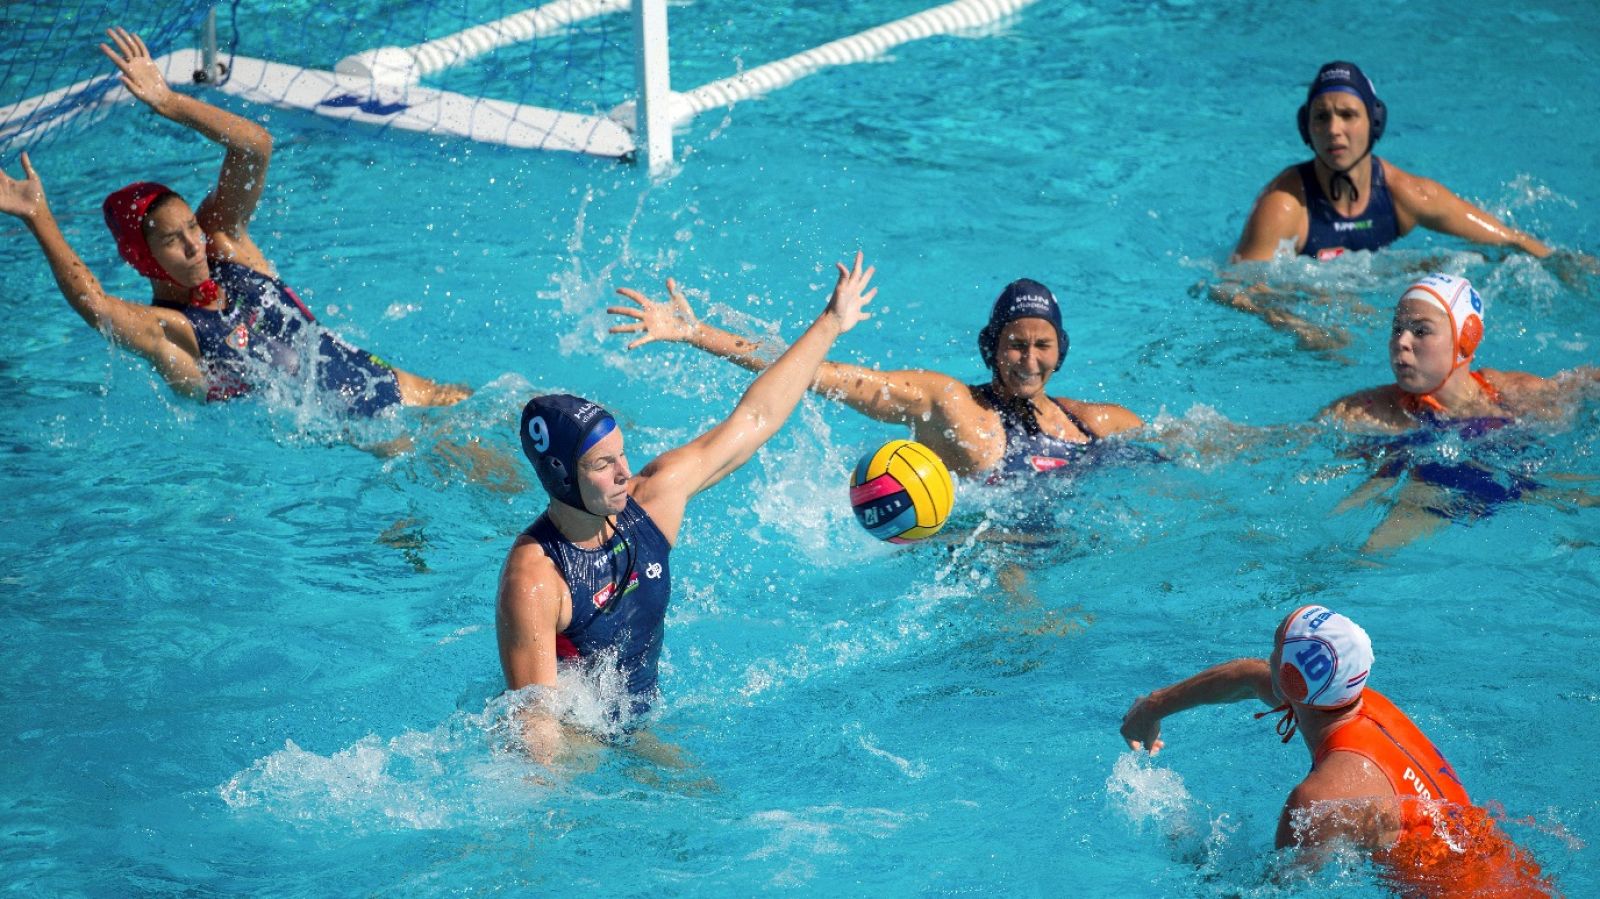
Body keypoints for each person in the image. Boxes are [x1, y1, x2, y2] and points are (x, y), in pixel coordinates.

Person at [495, 252, 875, 764]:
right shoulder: (538, 577)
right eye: (603, 465)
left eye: (622, 454)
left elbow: (755, 418)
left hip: (636, 725)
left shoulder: (649, 502)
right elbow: (536, 723)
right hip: (578, 743)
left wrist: (831, 322)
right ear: (563, 477)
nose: (625, 472)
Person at [0, 28, 466, 416]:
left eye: (192, 229)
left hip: (388, 379)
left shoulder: (224, 245)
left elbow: (253, 147)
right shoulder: (173, 333)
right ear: (144, 258)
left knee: (503, 419)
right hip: (364, 440)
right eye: (172, 240)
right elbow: (97, 306)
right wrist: (38, 215)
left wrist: (168, 102)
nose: (194, 245)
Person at [1119, 605, 1553, 896]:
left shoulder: (1319, 799)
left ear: (1290, 681)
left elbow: (1275, 890)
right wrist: (1153, 705)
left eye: (1274, 646)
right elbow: (1249, 677)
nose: (1264, 656)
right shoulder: (1369, 705)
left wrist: (1187, 853)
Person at [608, 275, 1145, 482]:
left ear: (1060, 352)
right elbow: (818, 374)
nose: (1028, 358)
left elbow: (1181, 444)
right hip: (991, 557)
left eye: (1041, 345)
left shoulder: (1092, 422)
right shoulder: (949, 404)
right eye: (1016, 343)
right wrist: (697, 333)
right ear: (992, 348)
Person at [1217, 61, 1573, 349]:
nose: (1334, 130)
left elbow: (1510, 239)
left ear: (1374, 122)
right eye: (1321, 117)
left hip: (1370, 283)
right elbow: (1232, 286)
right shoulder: (1285, 205)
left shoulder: (1406, 194)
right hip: (1310, 294)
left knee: (1473, 263)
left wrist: (1567, 266)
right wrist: (1301, 326)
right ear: (1305, 128)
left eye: (1347, 114)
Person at [1321, 273, 1599, 550]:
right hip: (1427, 491)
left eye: (1420, 330)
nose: (1401, 342)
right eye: (1397, 329)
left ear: (1466, 337)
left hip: (1527, 485)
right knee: (1356, 554)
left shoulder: (1507, 393)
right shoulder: (1371, 410)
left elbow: (1583, 386)